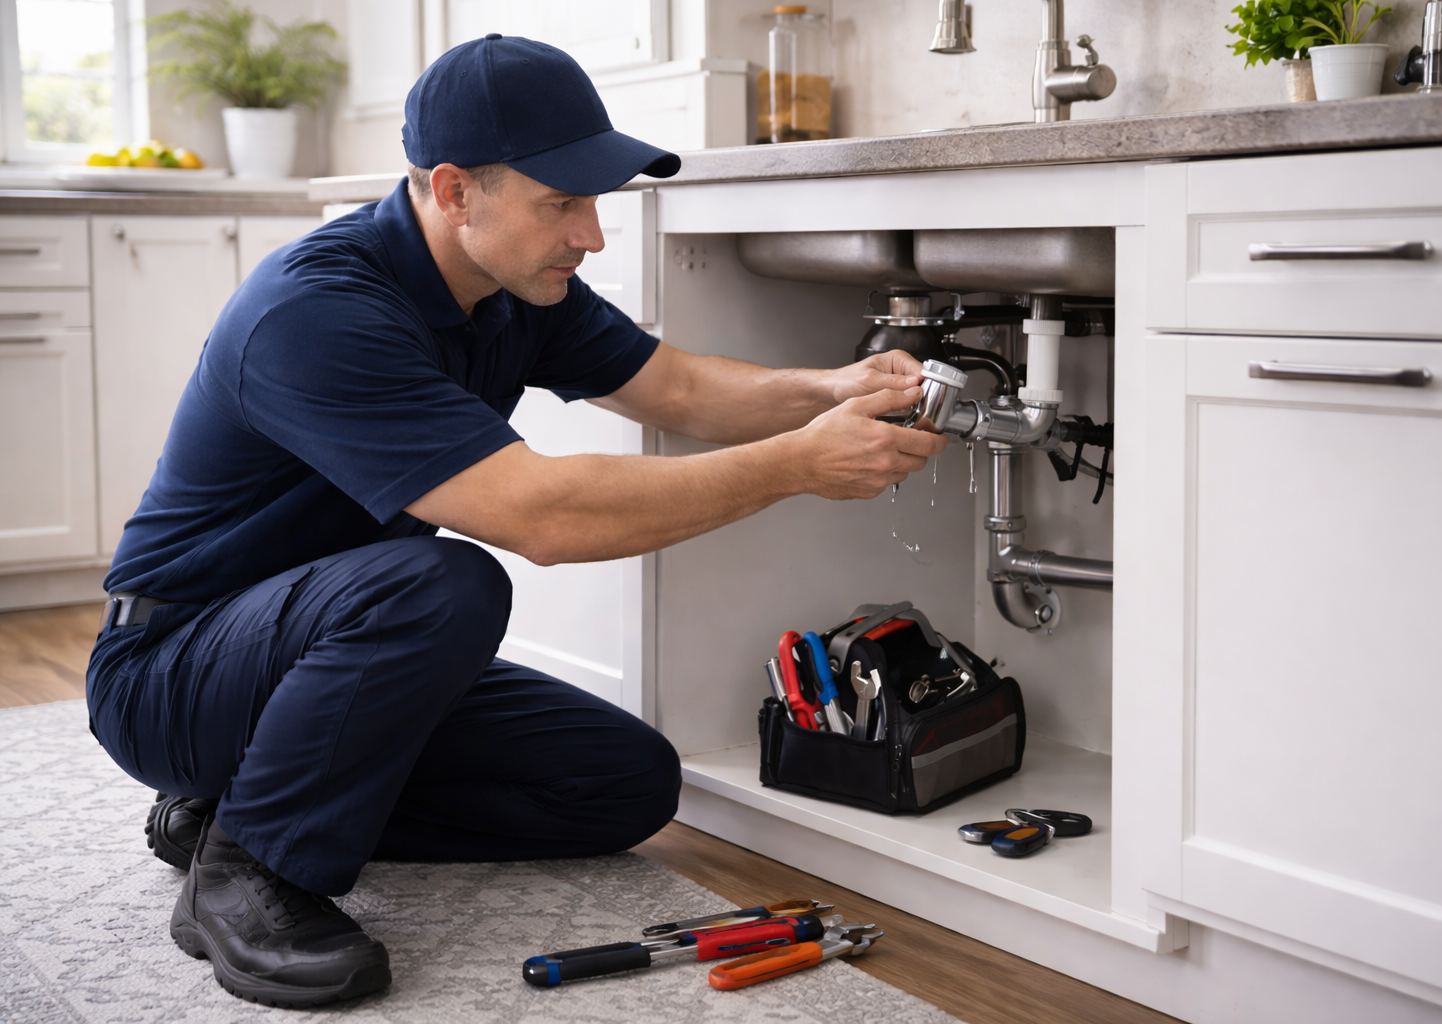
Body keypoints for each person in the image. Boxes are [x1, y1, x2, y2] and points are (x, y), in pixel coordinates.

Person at [86, 34, 944, 1008]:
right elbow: (538, 517)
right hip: (173, 667)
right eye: (562, 203)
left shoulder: (513, 287)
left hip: (327, 658)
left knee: (623, 784)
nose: (592, 235)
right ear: (454, 191)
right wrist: (800, 465)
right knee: (448, 580)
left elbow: (684, 389)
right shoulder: (318, 311)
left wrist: (836, 387)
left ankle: (234, 803)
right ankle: (254, 867)